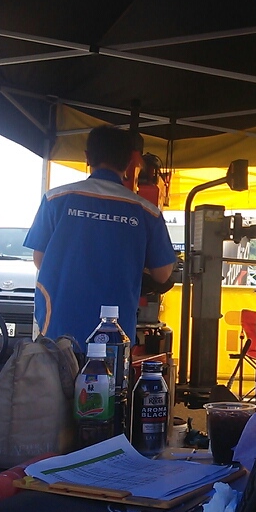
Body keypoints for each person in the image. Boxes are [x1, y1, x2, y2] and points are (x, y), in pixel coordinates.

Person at [24, 125, 175, 351]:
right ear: (130, 161)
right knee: (108, 373)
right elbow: (163, 274)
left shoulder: (55, 199)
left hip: (59, 324)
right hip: (114, 332)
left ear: (87, 157)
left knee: (57, 373)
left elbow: (39, 260)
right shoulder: (147, 211)